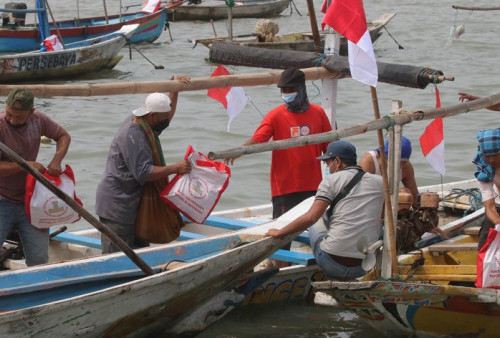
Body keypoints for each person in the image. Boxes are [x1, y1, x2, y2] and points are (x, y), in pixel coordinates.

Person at [266, 140, 384, 279]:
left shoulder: (331, 180)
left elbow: (311, 217)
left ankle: (331, 273)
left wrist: (279, 233)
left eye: (328, 162)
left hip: (331, 263)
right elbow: (381, 216)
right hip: (363, 267)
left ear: (338, 161)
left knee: (317, 222)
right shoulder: (380, 182)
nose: (327, 166)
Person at [95, 84, 191, 254]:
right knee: (117, 258)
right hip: (118, 206)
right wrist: (176, 168)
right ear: (153, 116)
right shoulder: (135, 135)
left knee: (139, 255)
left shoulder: (145, 123)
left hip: (134, 206)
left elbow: (167, 116)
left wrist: (174, 92)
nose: (166, 121)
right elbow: (144, 172)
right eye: (163, 118)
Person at [0, 88, 71, 266]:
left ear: (31, 112)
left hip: (32, 200)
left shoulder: (38, 119)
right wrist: (25, 165)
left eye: (19, 117)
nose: (12, 120)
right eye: (9, 114)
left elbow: (63, 136)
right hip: (2, 199)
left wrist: (56, 160)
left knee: (39, 258)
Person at [358, 136, 418, 208]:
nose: (400, 165)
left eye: (404, 162)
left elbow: (415, 197)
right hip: (371, 202)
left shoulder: (406, 167)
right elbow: (361, 195)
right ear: (384, 156)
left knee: (405, 192)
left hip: (390, 204)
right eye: (397, 161)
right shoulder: (368, 161)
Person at [473, 128, 500, 249]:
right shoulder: (484, 169)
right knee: (484, 245)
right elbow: (490, 207)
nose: (491, 160)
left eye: (495, 155)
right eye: (487, 156)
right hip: (497, 208)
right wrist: (498, 224)